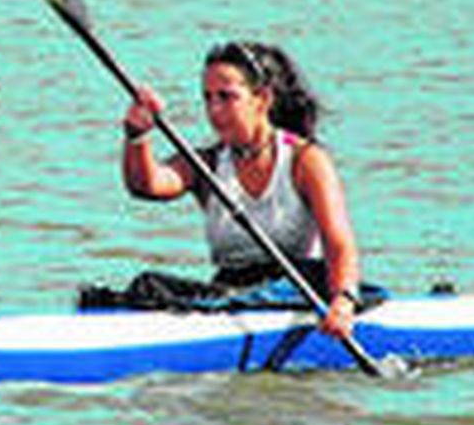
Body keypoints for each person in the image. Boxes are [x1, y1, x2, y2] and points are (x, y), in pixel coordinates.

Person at [120, 40, 363, 338]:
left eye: (227, 97)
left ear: (262, 98)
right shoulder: (207, 163)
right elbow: (148, 185)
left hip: (296, 287)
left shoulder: (306, 161)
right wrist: (137, 136)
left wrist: (343, 301)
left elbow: (339, 243)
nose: (214, 110)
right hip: (232, 290)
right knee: (146, 286)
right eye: (208, 98)